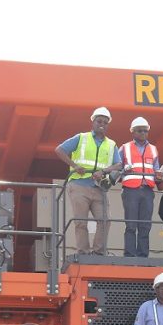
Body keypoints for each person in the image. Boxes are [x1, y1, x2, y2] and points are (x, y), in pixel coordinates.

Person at [54, 107, 122, 255]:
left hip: (99, 188)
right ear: (93, 122)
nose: (102, 124)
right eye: (99, 121)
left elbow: (119, 164)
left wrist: (103, 172)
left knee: (105, 220)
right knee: (80, 221)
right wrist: (75, 166)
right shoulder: (81, 138)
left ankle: (98, 253)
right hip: (79, 185)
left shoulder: (111, 144)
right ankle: (83, 253)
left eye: (105, 122)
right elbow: (59, 150)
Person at [119, 117, 160, 258]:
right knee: (131, 225)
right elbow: (117, 167)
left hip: (148, 190)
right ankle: (129, 255)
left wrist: (161, 176)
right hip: (131, 190)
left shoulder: (153, 149)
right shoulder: (124, 148)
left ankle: (143, 256)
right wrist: (124, 169)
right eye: (140, 130)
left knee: (145, 226)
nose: (143, 133)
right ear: (133, 132)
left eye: (145, 130)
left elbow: (156, 170)